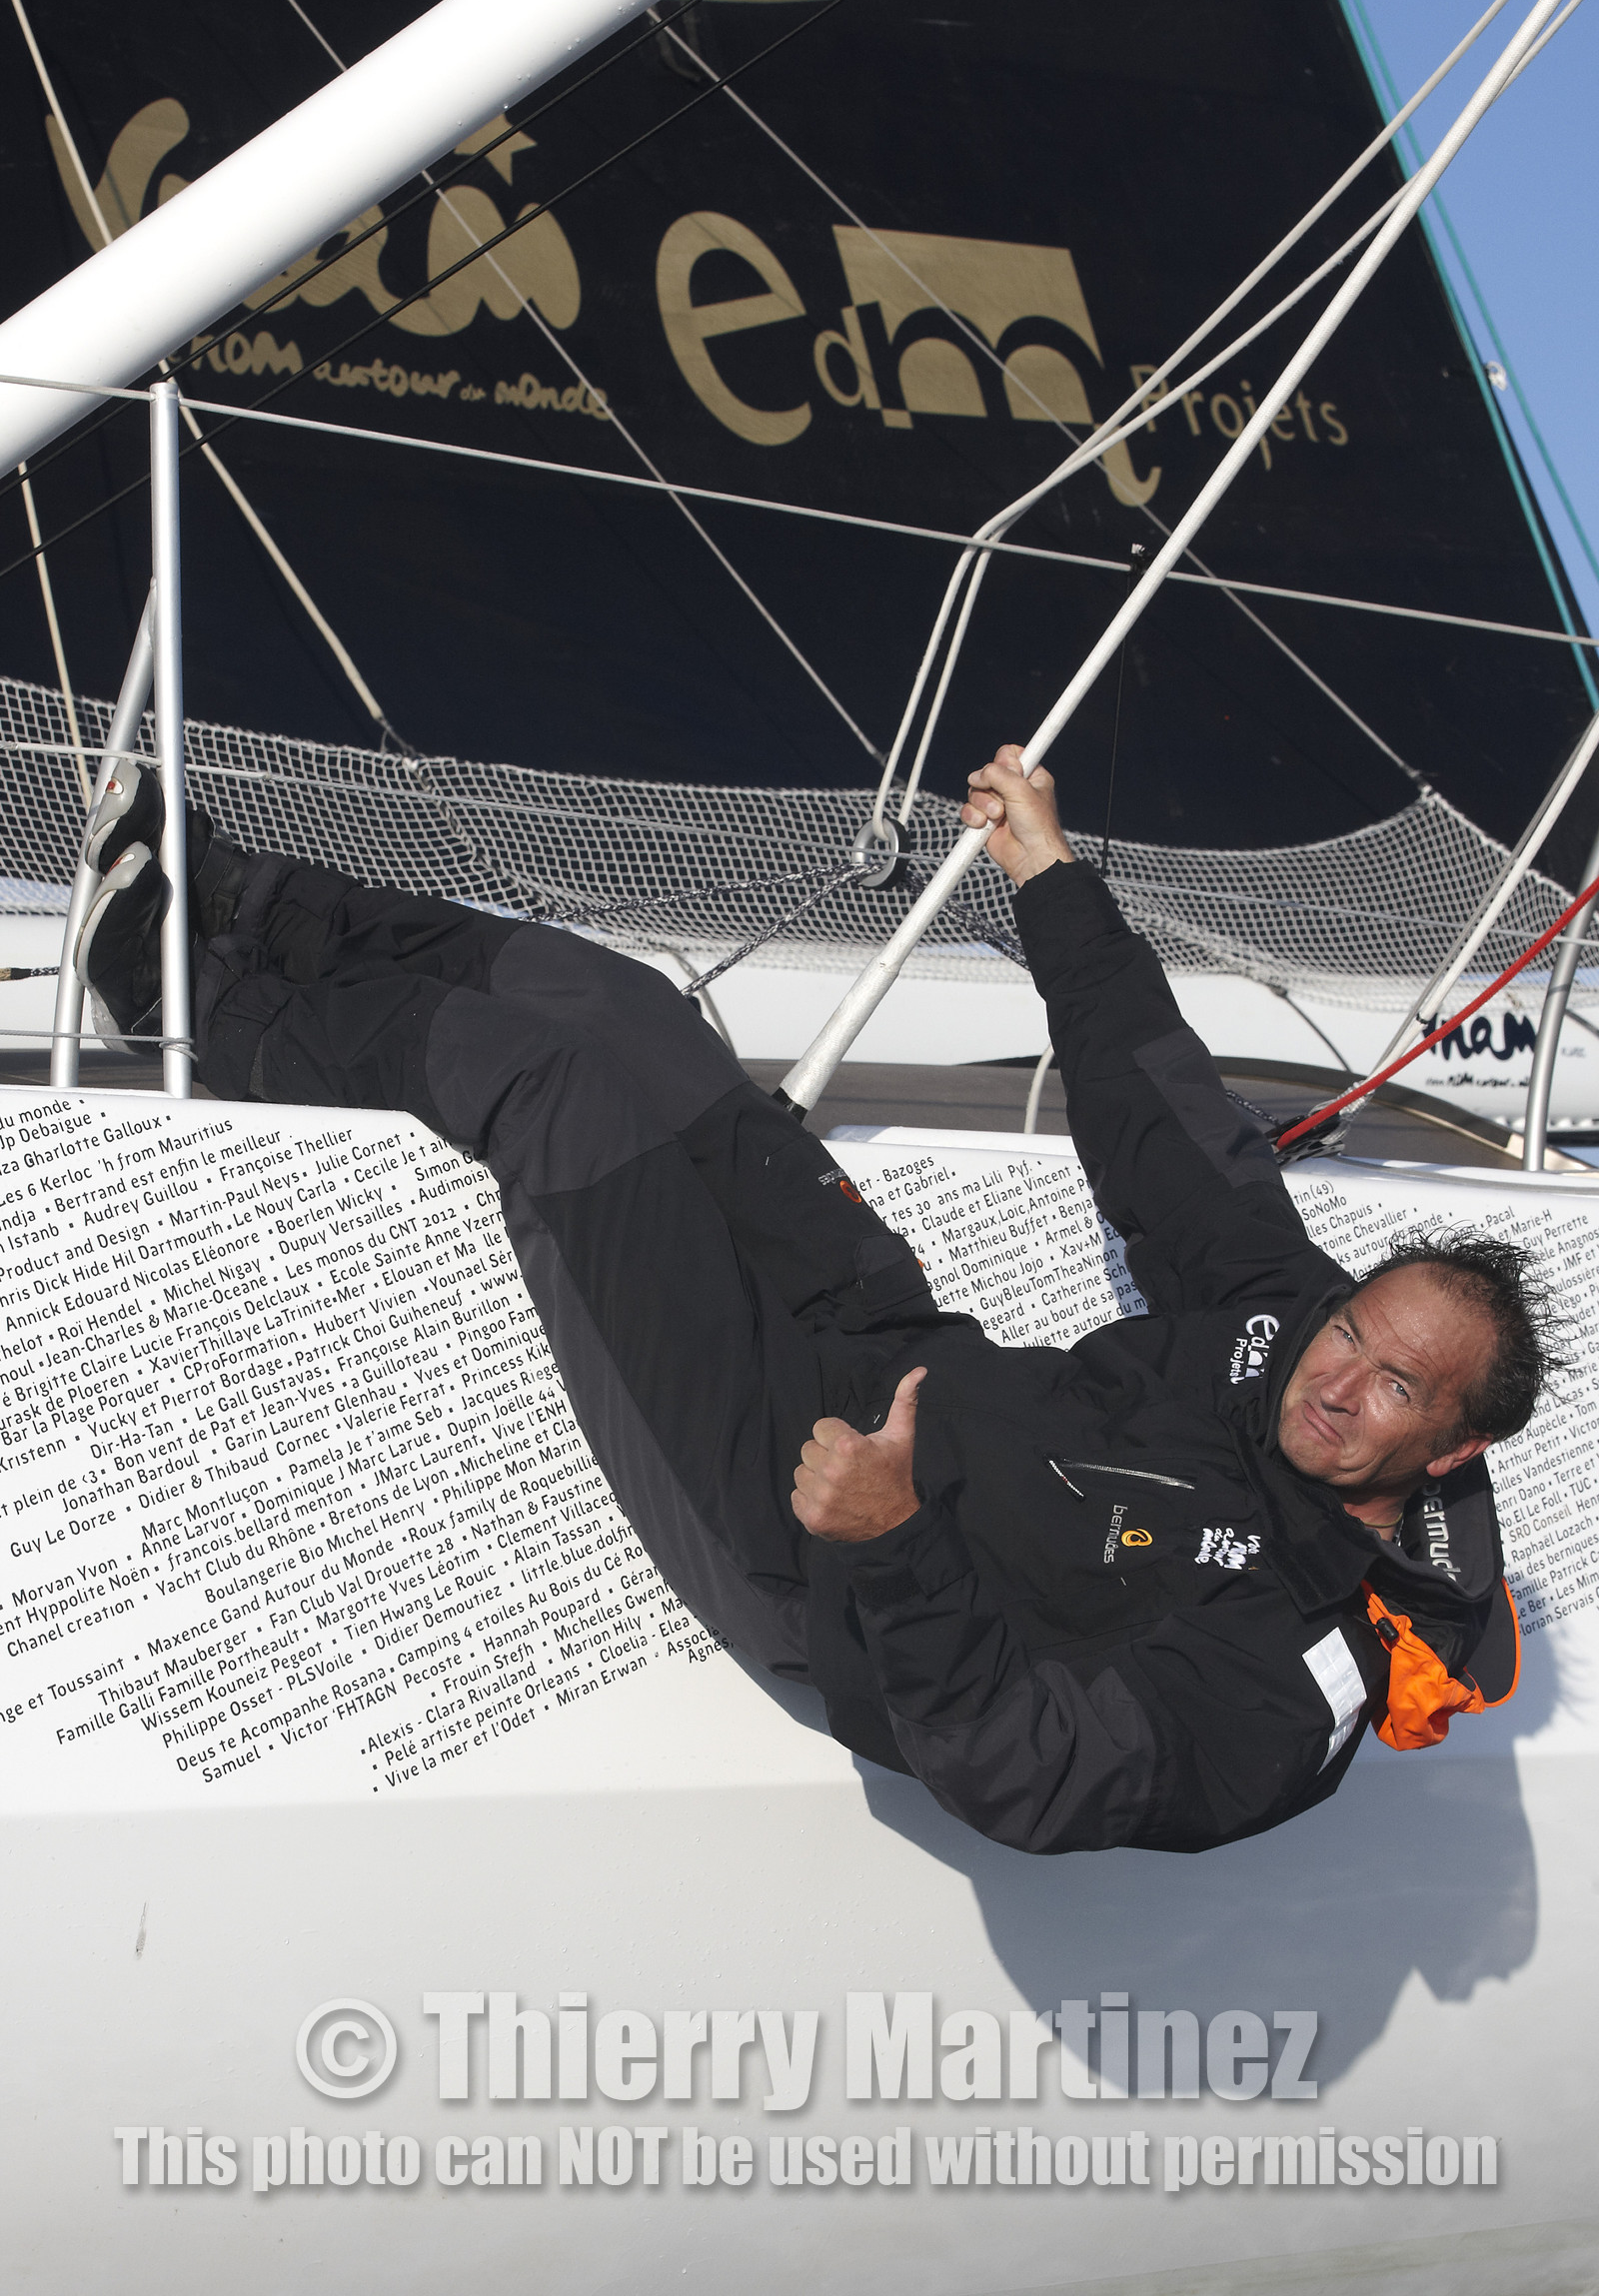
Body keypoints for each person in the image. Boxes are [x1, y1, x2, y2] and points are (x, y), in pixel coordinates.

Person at [74, 744, 1543, 1855]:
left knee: (562, 1096)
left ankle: (169, 990)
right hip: (886, 1347)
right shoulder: (1291, 1328)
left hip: (809, 1536)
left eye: (1396, 1391)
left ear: (1450, 1447)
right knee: (629, 1015)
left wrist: (891, 1544)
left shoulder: (1307, 1666)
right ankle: (240, 900)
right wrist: (1049, 874)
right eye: (1357, 1333)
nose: (1337, 1382)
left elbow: (1029, 1772)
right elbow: (1159, 1113)